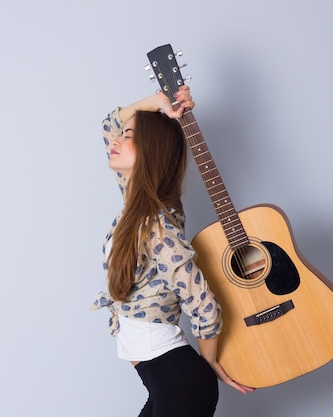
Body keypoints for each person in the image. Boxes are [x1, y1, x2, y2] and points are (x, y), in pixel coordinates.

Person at [92, 86, 253, 417]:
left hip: (179, 382)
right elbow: (108, 124)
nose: (114, 142)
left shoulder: (158, 230)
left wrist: (208, 360)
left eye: (128, 137)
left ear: (152, 151)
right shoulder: (136, 204)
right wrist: (160, 102)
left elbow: (204, 306)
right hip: (162, 381)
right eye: (120, 136)